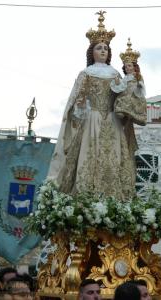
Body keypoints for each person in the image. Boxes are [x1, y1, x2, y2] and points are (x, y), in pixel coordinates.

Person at [48, 11, 140, 201]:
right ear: (92, 52)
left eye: (105, 48)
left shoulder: (116, 75)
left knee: (114, 158)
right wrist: (80, 106)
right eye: (99, 48)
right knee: (88, 156)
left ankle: (114, 200)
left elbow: (123, 98)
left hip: (113, 121)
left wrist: (131, 101)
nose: (103, 51)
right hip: (92, 120)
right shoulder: (86, 73)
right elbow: (75, 102)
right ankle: (86, 199)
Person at [111, 38, 147, 127]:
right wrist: (117, 83)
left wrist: (139, 84)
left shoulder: (137, 76)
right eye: (126, 67)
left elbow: (142, 86)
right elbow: (122, 87)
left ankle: (133, 114)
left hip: (134, 95)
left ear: (134, 67)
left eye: (129, 66)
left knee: (128, 101)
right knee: (120, 101)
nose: (127, 68)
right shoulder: (125, 78)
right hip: (125, 95)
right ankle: (123, 113)